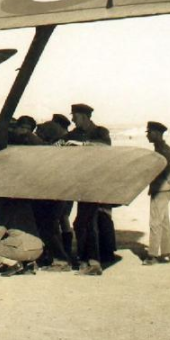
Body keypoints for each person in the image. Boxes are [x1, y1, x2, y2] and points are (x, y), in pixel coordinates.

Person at [63, 103, 113, 275]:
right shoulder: (73, 134)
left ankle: (94, 263)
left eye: (75, 116)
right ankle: (85, 259)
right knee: (82, 223)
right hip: (80, 183)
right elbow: (60, 143)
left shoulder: (100, 132)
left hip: (95, 183)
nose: (72, 120)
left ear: (84, 117)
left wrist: (81, 145)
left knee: (87, 222)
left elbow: (105, 147)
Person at [0, 198, 44, 276]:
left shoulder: (5, 207)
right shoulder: (24, 203)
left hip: (22, 251)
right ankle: (28, 264)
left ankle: (14, 264)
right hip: (38, 250)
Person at [144, 121, 170, 265]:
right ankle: (167, 251)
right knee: (163, 220)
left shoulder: (163, 151)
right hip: (163, 189)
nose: (147, 135)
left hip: (161, 190)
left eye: (149, 132)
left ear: (157, 134)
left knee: (155, 221)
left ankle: (152, 256)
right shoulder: (162, 149)